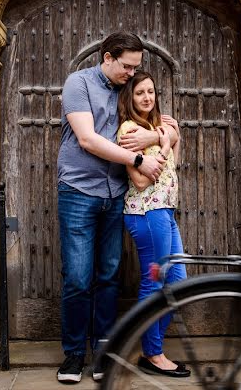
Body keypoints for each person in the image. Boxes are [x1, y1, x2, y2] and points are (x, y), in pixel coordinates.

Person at [56, 31, 177, 384]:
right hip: (79, 190)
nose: (131, 73)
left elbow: (156, 122)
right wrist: (138, 158)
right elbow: (87, 139)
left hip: (115, 193)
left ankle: (105, 352)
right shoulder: (79, 83)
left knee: (108, 276)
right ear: (107, 58)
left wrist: (158, 137)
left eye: (136, 68)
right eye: (126, 66)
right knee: (78, 278)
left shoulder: (127, 88)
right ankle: (74, 355)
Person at [116, 71, 190, 378]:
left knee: (179, 281)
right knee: (154, 281)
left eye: (151, 92)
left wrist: (175, 138)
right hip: (146, 212)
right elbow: (140, 180)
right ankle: (153, 353)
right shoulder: (129, 130)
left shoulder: (156, 126)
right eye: (140, 93)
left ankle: (150, 347)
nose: (147, 98)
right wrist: (162, 142)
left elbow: (175, 163)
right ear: (129, 98)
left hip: (165, 211)